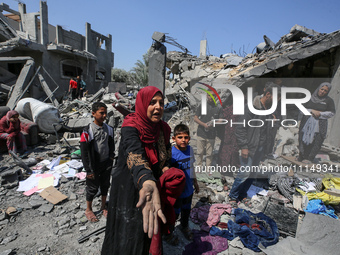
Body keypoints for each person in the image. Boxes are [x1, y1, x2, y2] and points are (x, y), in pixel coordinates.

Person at [101, 86, 185, 255]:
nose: (158, 107)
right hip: (129, 186)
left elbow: (166, 156)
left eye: (161, 103)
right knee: (127, 230)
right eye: (152, 102)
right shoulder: (131, 126)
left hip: (151, 187)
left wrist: (166, 169)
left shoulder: (163, 129)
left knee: (146, 229)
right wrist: (146, 179)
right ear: (142, 104)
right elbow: (135, 155)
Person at [229, 86, 279, 206]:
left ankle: (242, 194)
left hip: (260, 147)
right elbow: (240, 128)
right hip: (250, 146)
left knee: (253, 173)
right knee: (244, 173)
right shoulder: (252, 108)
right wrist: (244, 146)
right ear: (267, 94)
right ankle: (233, 196)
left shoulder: (267, 109)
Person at [80, 102, 115, 222]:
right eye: (101, 113)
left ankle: (103, 206)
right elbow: (84, 152)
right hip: (93, 165)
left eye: (105, 113)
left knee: (105, 185)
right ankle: (88, 209)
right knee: (92, 187)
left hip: (105, 163)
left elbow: (111, 145)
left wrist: (110, 159)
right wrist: (88, 169)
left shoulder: (109, 129)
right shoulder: (87, 131)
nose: (104, 115)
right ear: (93, 113)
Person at [169, 124, 199, 243]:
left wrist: (195, 182)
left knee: (186, 210)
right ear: (174, 138)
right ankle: (169, 232)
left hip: (188, 189)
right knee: (174, 213)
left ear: (189, 138)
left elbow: (191, 166)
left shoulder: (190, 149)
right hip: (177, 192)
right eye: (180, 137)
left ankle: (184, 227)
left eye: (186, 137)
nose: (183, 140)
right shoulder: (171, 153)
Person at [298, 82, 335, 163]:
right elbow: (301, 109)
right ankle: (302, 156)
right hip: (306, 121)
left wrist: (320, 113)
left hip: (320, 123)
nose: (322, 91)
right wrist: (312, 111)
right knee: (303, 137)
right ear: (319, 88)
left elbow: (332, 113)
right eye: (322, 89)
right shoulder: (309, 98)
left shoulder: (329, 101)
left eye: (325, 90)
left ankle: (309, 158)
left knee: (318, 139)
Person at [194, 94, 220, 172]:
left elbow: (221, 119)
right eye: (209, 95)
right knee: (199, 152)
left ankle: (208, 168)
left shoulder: (218, 107)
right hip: (201, 133)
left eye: (213, 95)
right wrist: (204, 124)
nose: (211, 97)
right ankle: (199, 167)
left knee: (209, 153)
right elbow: (195, 118)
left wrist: (214, 123)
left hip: (211, 134)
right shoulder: (202, 105)